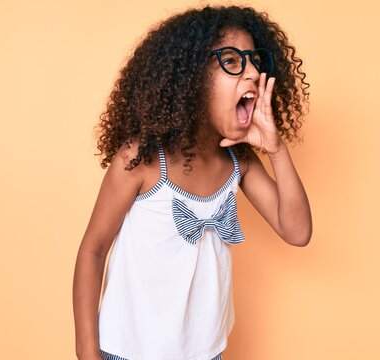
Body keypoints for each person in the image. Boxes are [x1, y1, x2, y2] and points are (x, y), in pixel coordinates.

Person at [73, 5, 312, 360]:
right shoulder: (142, 160)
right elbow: (92, 252)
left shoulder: (239, 161)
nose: (251, 74)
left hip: (204, 353)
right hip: (126, 352)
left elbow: (297, 231)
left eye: (255, 62)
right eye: (232, 61)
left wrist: (275, 149)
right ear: (191, 78)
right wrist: (87, 354)